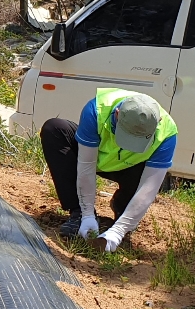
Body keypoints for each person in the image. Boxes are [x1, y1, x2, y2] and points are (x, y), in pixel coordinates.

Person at [40, 88, 177, 251]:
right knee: (54, 129)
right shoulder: (97, 110)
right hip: (95, 158)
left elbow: (148, 189)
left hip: (130, 168)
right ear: (118, 114)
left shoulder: (167, 132)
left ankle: (121, 213)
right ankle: (77, 213)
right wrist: (87, 213)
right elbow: (86, 167)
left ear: (158, 122)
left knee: (155, 176)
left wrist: (119, 231)